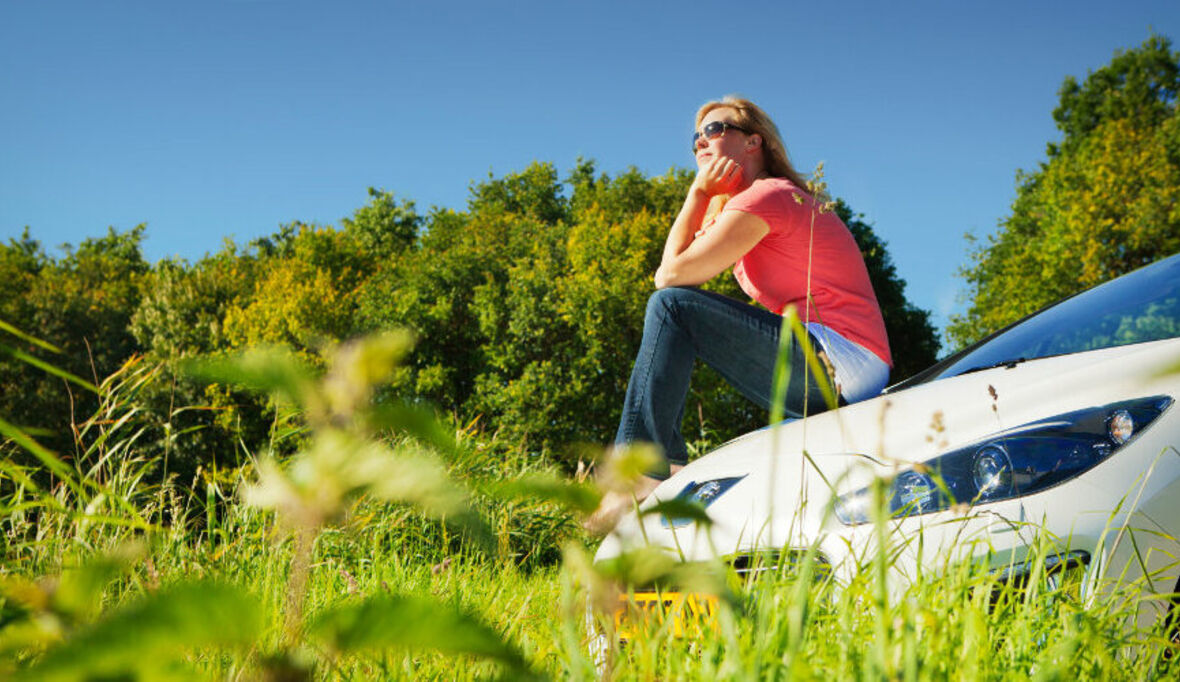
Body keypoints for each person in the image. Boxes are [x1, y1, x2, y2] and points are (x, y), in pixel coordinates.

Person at [586, 96, 892, 534]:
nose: (701, 144)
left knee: (672, 309)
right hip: (832, 364)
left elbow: (669, 280)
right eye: (695, 139)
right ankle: (669, 474)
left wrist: (697, 192)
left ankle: (639, 472)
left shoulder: (770, 195)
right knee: (674, 310)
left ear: (754, 141)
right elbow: (672, 271)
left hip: (838, 357)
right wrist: (700, 194)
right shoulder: (746, 205)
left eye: (714, 130)